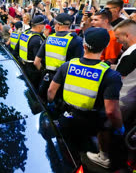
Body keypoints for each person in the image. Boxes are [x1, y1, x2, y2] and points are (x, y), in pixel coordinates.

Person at [47, 27, 124, 169]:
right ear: (105, 46)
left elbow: (51, 92)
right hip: (93, 124)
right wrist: (120, 128)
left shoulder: (67, 66)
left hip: (68, 118)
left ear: (84, 45)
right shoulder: (111, 75)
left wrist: (51, 105)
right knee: (106, 126)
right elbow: (111, 112)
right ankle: (103, 156)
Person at [34, 13, 84, 100]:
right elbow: (79, 65)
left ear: (57, 25)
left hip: (47, 77)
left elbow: (36, 62)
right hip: (65, 82)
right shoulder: (77, 40)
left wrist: (43, 71)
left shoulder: (49, 38)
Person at [113, 20, 136, 127]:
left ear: (127, 35)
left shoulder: (131, 53)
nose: (117, 41)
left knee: (109, 130)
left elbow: (117, 78)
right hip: (130, 100)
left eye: (118, 38)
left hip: (122, 100)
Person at [14, 16, 46, 90]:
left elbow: (16, 50)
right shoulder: (37, 39)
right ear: (39, 26)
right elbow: (37, 61)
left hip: (22, 66)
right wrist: (41, 71)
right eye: (44, 24)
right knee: (33, 90)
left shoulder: (24, 34)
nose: (45, 26)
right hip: (32, 71)